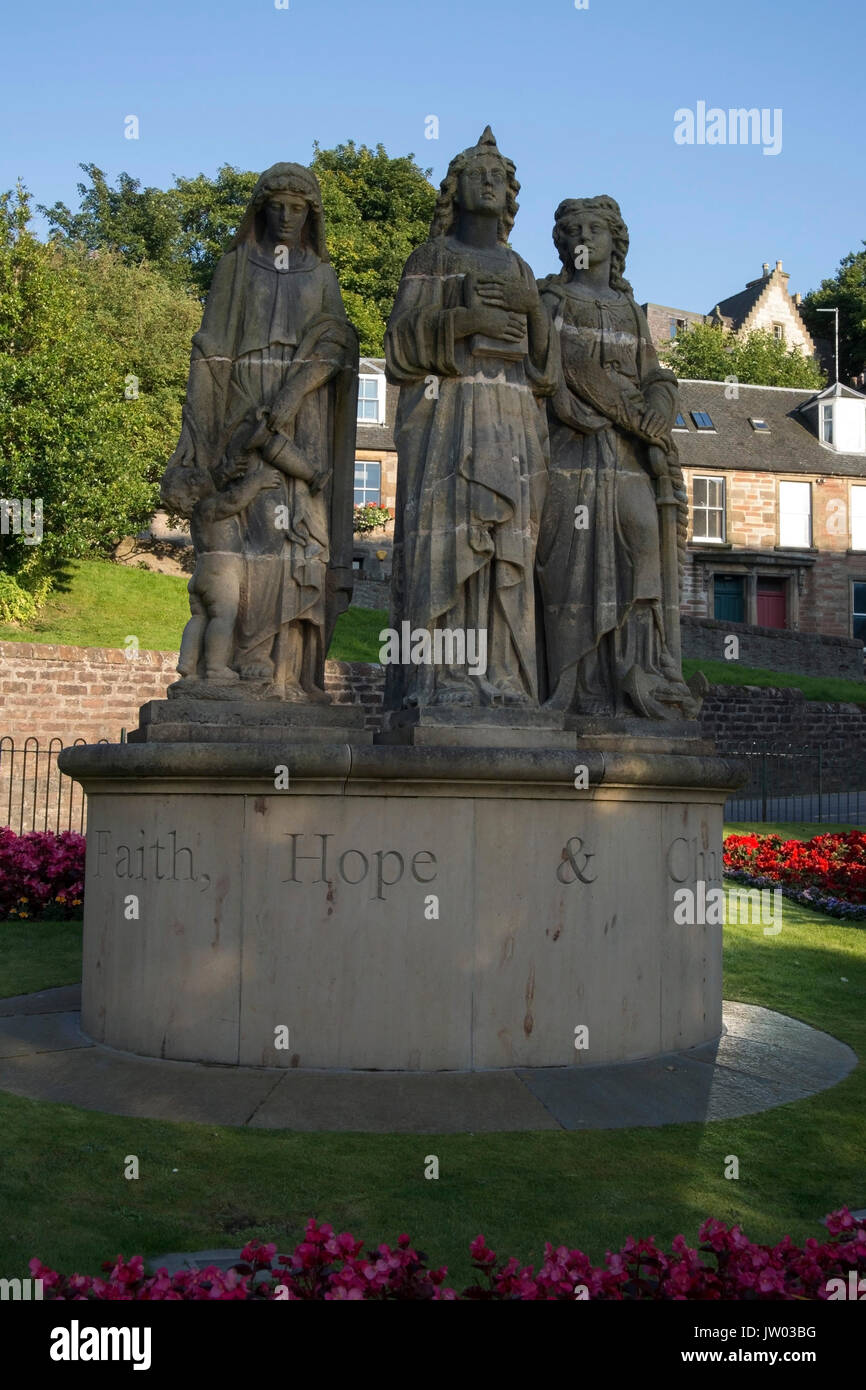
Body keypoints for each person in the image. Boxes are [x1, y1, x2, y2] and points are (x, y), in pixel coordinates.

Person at [162, 162, 358, 701]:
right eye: (279, 205)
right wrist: (197, 440)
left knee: (296, 535)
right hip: (242, 406)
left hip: (305, 413)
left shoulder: (322, 275)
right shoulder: (235, 267)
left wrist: (300, 385)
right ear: (262, 209)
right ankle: (238, 659)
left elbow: (338, 343)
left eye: (300, 207)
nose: (289, 216)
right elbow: (210, 349)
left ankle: (283, 667)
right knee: (248, 527)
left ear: (311, 214)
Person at [384, 127, 558, 710]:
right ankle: (446, 679)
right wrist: (464, 320)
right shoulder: (431, 258)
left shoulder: (524, 268)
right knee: (452, 543)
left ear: (511, 195)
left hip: (512, 414)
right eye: (478, 174)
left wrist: (531, 314)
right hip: (450, 412)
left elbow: (547, 369)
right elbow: (400, 347)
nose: (490, 183)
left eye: (500, 177)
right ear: (455, 189)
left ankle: (503, 678)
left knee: (507, 546)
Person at [536, 195, 700, 720]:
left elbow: (655, 374)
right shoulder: (550, 301)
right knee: (571, 562)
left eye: (595, 228)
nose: (584, 236)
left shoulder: (630, 308)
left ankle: (641, 674)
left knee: (643, 545)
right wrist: (612, 404)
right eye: (574, 229)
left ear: (615, 240)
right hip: (572, 450)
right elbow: (547, 373)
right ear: (563, 243)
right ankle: (576, 685)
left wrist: (657, 404)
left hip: (630, 454)